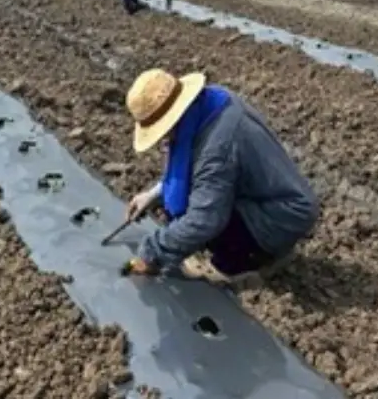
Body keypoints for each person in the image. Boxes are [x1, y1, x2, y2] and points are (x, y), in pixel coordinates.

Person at [120, 69, 320, 287]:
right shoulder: (208, 104)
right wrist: (154, 193)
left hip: (283, 214)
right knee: (198, 198)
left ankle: (246, 264)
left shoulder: (217, 147)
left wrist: (152, 252)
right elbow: (194, 166)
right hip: (261, 194)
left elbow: (205, 220)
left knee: (207, 222)